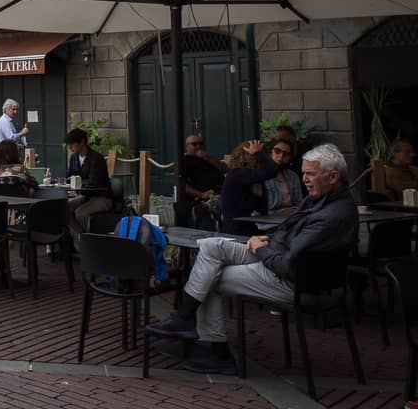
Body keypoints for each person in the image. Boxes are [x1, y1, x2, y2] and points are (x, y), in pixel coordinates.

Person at [147, 144, 359, 375]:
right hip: (274, 254)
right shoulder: (320, 199)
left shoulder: (330, 216)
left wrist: (260, 250)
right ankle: (185, 318)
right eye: (303, 173)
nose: (304, 179)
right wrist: (266, 238)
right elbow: (289, 232)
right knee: (210, 246)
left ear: (333, 176)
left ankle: (217, 352)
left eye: (310, 173)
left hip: (293, 282)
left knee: (209, 278)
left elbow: (287, 266)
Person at [217, 140, 277, 236]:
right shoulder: (237, 174)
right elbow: (271, 171)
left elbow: (263, 210)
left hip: (249, 228)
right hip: (235, 232)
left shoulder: (252, 179)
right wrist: (257, 153)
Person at [65, 127, 112, 242]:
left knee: (80, 212)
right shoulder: (74, 158)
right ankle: (81, 237)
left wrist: (76, 183)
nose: (70, 148)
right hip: (86, 196)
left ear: (82, 142)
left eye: (72, 144)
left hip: (102, 197)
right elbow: (68, 176)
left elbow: (94, 182)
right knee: (64, 208)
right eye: (69, 145)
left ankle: (85, 245)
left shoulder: (96, 159)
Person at [176, 135, 226, 230]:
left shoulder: (207, 158)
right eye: (194, 144)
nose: (198, 146)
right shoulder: (183, 161)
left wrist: (208, 158)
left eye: (200, 144)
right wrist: (201, 195)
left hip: (219, 194)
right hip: (201, 200)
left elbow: (224, 168)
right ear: (187, 146)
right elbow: (182, 185)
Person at [263, 136, 304, 212]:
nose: (281, 156)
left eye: (286, 154)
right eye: (277, 151)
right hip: (266, 219)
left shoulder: (293, 176)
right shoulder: (260, 175)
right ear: (270, 152)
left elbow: (299, 203)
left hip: (291, 216)